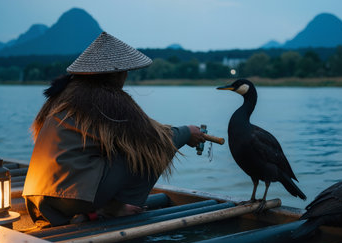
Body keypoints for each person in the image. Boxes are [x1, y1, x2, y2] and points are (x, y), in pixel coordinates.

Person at [22, 32, 206, 227]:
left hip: (38, 197)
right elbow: (154, 140)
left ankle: (101, 211)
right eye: (125, 71)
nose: (126, 76)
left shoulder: (64, 94)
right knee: (145, 154)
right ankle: (121, 210)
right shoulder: (108, 98)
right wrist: (187, 133)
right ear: (116, 73)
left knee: (112, 152)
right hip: (73, 196)